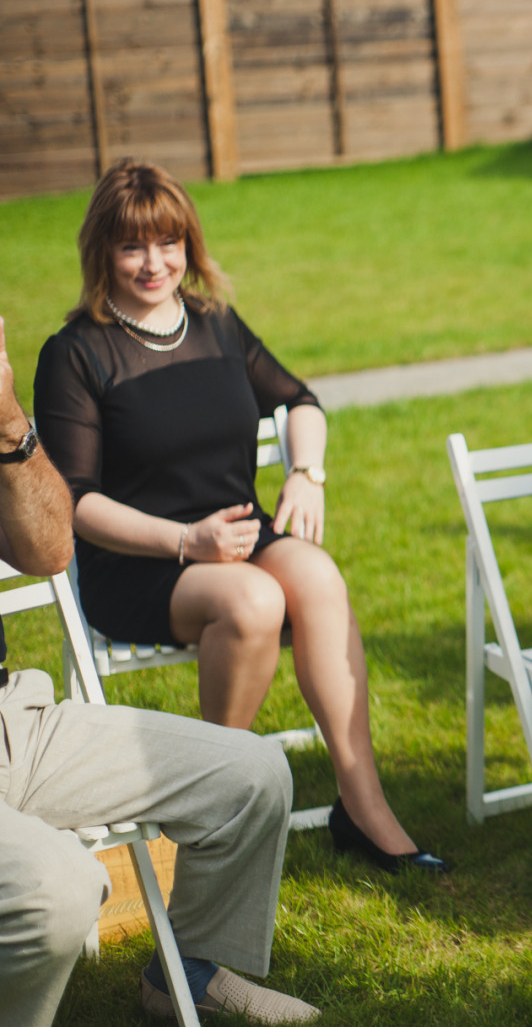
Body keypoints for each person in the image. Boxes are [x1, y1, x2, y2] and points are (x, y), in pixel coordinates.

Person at [32, 159, 444, 876]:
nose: (154, 263)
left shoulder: (215, 322)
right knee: (253, 599)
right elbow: (75, 501)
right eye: (133, 247)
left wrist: (306, 473)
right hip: (139, 560)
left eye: (169, 243)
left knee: (314, 573)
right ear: (102, 252)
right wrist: (186, 541)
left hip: (237, 532)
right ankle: (214, 803)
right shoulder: (76, 353)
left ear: (189, 243)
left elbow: (299, 399)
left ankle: (362, 803)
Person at [0, 316, 317, 1024]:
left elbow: (52, 549)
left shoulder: (214, 326)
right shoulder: (81, 351)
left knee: (251, 774)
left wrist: (9, 423)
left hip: (13, 715)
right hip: (151, 580)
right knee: (60, 889)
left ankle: (188, 975)